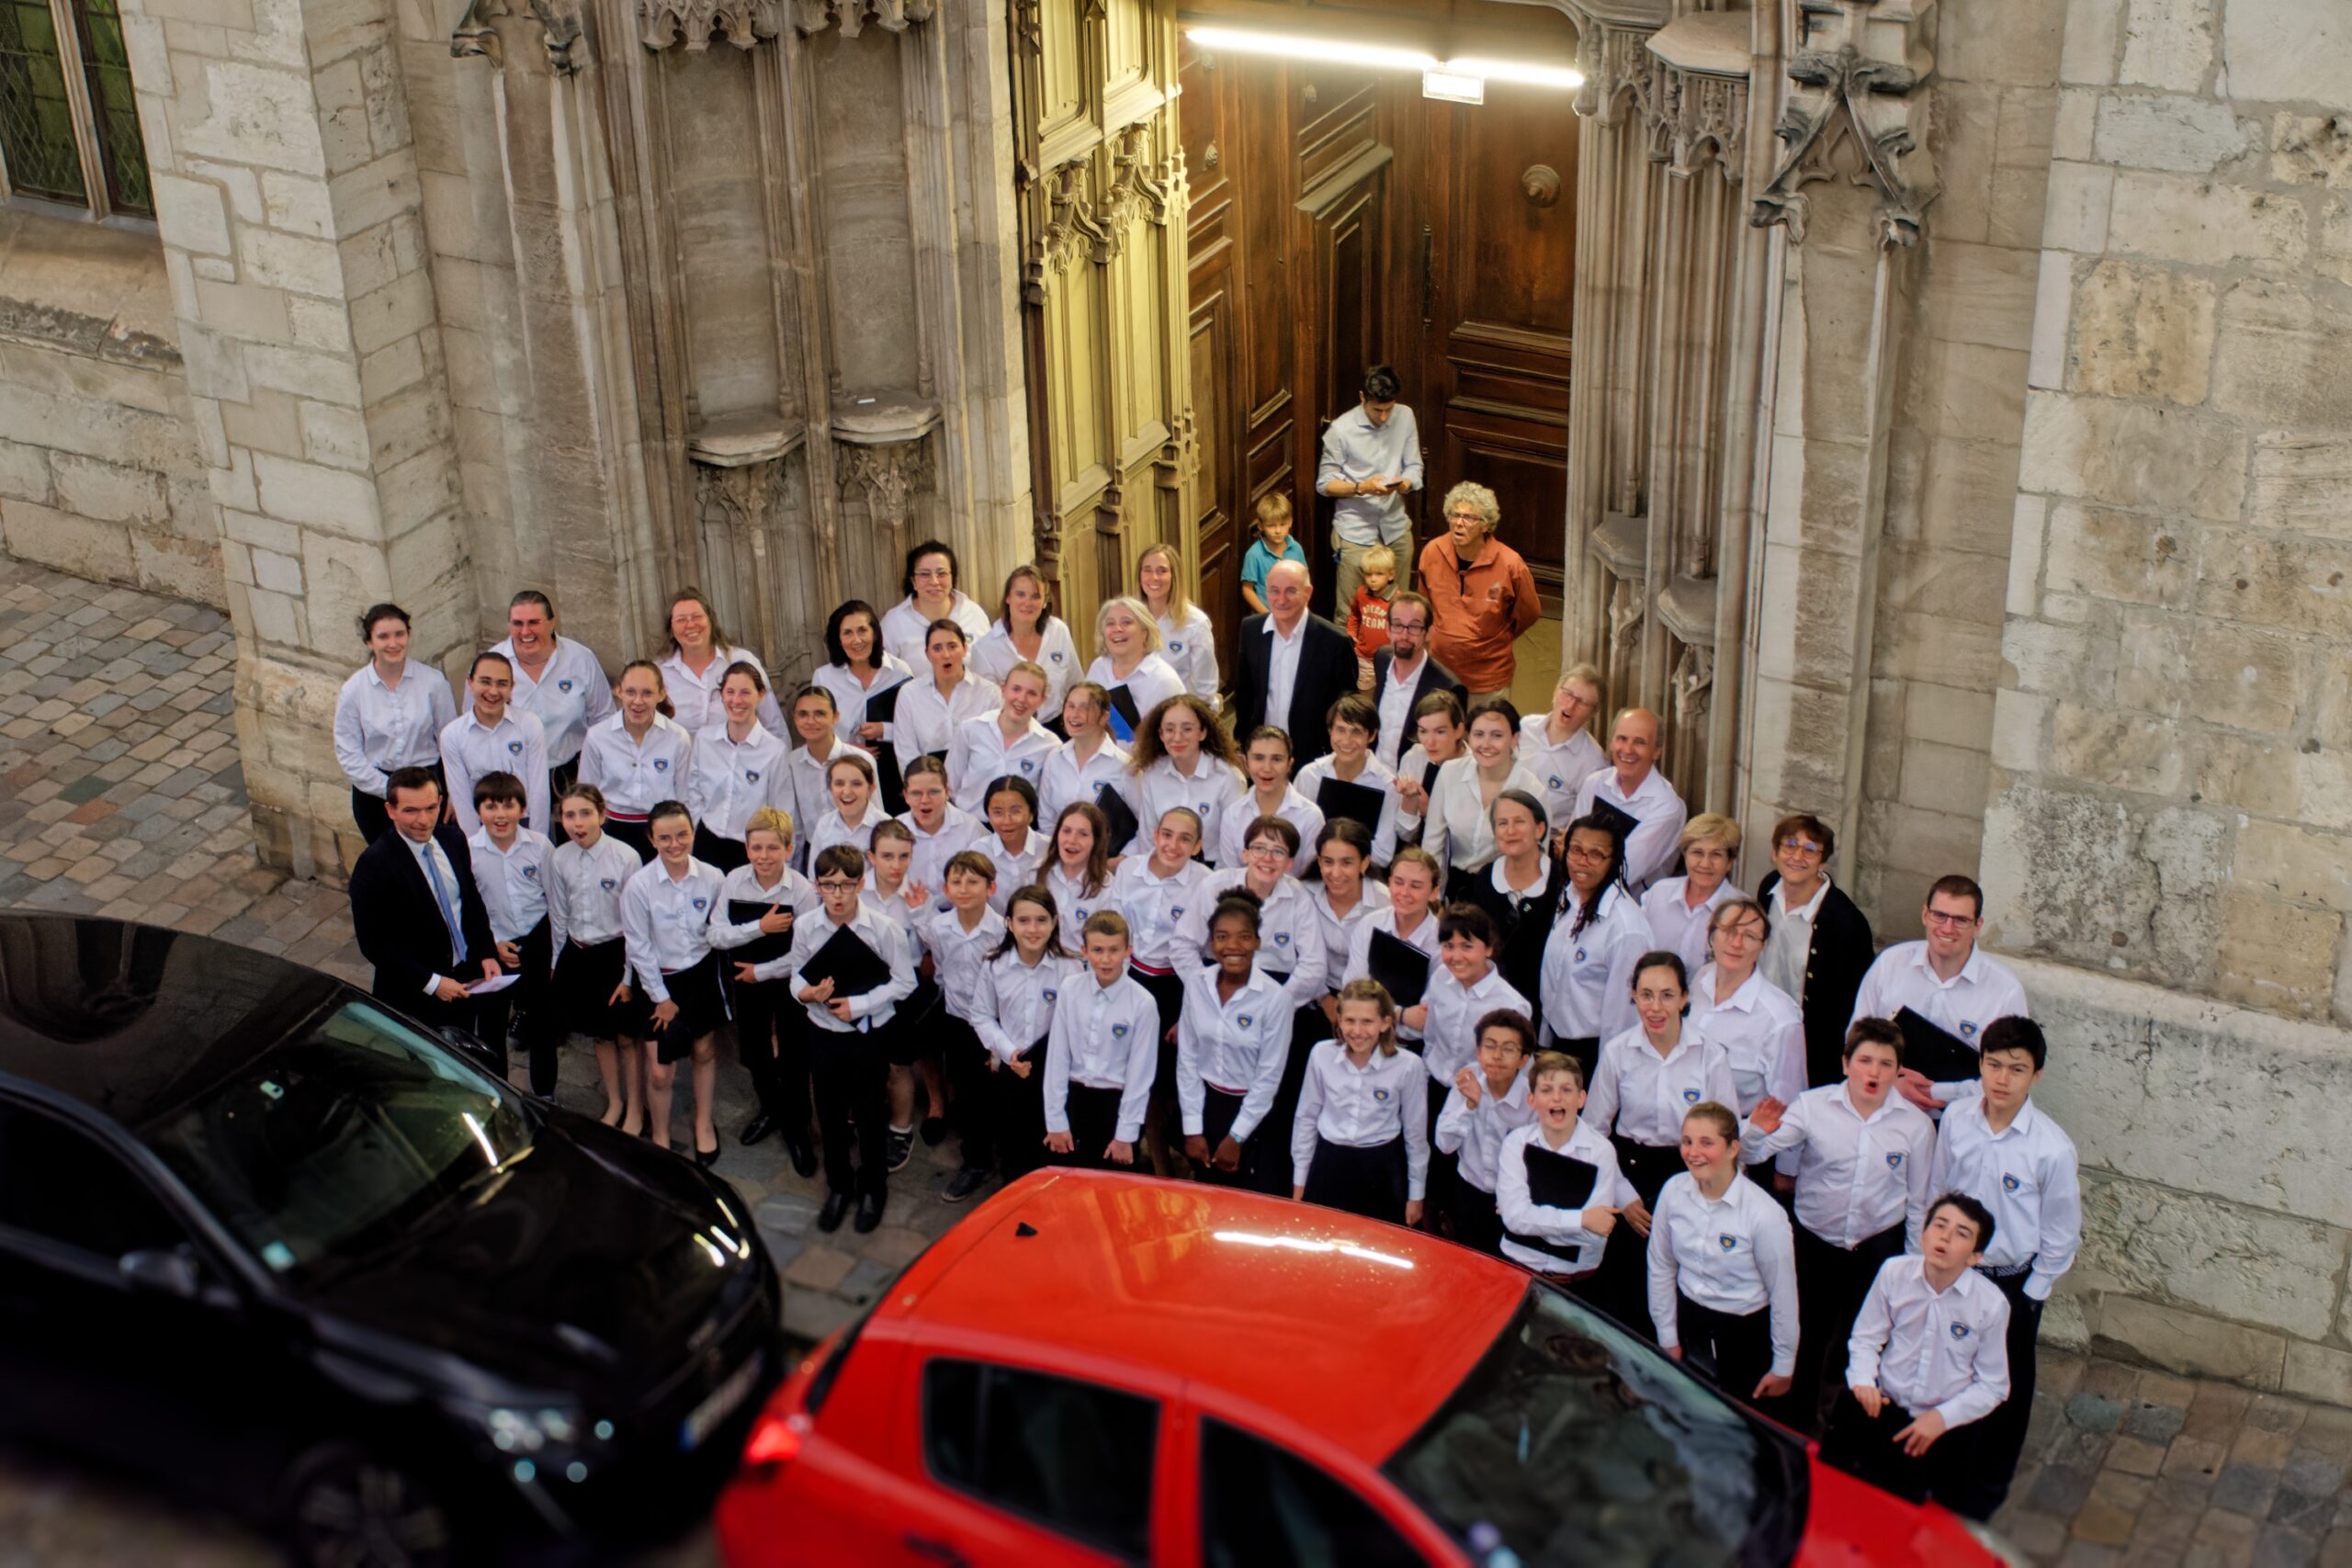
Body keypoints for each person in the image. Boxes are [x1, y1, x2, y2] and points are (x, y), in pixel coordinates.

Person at [1741, 1018, 1936, 1429]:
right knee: (1807, 1334)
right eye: (1865, 1060)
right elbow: (1757, 1154)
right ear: (1846, 1063)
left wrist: (1913, 1268)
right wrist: (1755, 1132)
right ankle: (1796, 1424)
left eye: (1886, 1064)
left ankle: (1846, 1428)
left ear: (1898, 1070)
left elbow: (1919, 1202)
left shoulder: (1916, 1127)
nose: (1874, 1072)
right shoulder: (1813, 1106)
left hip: (1877, 1245)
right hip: (1815, 1240)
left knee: (1862, 1341)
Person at [1928, 1017, 2079, 1515]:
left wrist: (2032, 1295)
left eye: (2017, 1069)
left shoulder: (2051, 1149)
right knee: (1945, 1373)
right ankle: (1939, 1479)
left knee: (2005, 1393)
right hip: (1953, 1272)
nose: (2002, 1079)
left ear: (2036, 1075)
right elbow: (1938, 1191)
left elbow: (2060, 1234)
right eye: (1993, 1065)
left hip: (2011, 1281)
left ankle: (1983, 1498)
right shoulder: (1957, 1120)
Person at [1824, 1195, 2011, 1518]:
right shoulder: (1894, 1272)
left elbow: (1994, 1386)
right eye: (1940, 1225)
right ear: (1923, 1233)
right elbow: (1866, 1338)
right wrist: (1863, 1380)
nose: (1946, 1237)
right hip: (1881, 1410)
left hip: (1941, 1429)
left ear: (1975, 1257)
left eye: (1962, 1233)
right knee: (1844, 1504)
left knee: (1913, 1520)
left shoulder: (1990, 1305)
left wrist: (1941, 1418)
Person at [771, 844, 918, 1233]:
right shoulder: (806, 927)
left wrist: (861, 1003)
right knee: (830, 1113)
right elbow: (796, 977)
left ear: (861, 883)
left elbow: (905, 982)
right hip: (822, 1033)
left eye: (846, 885)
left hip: (868, 1035)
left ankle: (873, 1187)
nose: (837, 895)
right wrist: (807, 994)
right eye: (829, 886)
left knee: (870, 1113)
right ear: (817, 886)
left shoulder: (884, 929)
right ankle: (839, 1186)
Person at [1646, 1102, 1800, 1417]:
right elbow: (1661, 1265)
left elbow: (1784, 1295)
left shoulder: (1765, 1215)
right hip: (1689, 1320)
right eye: (1687, 1141)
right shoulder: (1673, 1192)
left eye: (1707, 1142)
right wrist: (1667, 1334)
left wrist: (1784, 1365)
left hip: (1742, 1334)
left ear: (1733, 1148)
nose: (1693, 1152)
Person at [1851, 874, 2031, 1111]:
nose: (1948, 927)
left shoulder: (2005, 989)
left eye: (1960, 920)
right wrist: (1891, 1082)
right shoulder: (1890, 963)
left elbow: (2014, 1074)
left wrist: (1936, 1091)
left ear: (1978, 925)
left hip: (1963, 1119)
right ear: (1925, 914)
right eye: (1940, 915)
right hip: (1885, 1109)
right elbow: (1855, 1039)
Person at [347, 767, 499, 1034]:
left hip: (464, 980)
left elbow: (471, 902)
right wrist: (433, 983)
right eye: (411, 811)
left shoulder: (453, 839)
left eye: (430, 808)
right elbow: (374, 944)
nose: (423, 820)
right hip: (412, 995)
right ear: (390, 810)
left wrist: (486, 952)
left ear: (440, 802)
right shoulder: (374, 865)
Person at [619, 799, 729, 1165]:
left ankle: (703, 1122)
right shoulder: (639, 886)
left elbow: (719, 932)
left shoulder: (713, 878)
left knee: (703, 1051)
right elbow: (638, 945)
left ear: (693, 833)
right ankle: (662, 1135)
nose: (675, 844)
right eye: (664, 837)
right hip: (658, 981)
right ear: (651, 839)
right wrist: (660, 997)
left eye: (682, 834)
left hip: (700, 975)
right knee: (660, 1071)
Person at [708, 807, 818, 1169]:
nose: (764, 856)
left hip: (787, 983)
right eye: (756, 848)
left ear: (788, 849)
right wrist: (759, 927)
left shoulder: (801, 890)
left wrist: (764, 970)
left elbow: (806, 955)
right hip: (746, 982)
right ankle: (772, 1109)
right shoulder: (735, 881)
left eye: (772, 849)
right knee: (754, 1053)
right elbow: (716, 934)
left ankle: (798, 1130)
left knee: (794, 1056)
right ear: (746, 848)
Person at [1418, 905, 1530, 1227]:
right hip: (1437, 1086)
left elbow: (1515, 1070)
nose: (1456, 956)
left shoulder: (1511, 1004)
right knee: (1431, 1171)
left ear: (1489, 948)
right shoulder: (1440, 978)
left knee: (1462, 1180)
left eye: (1467, 946)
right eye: (1448, 946)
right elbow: (1432, 1035)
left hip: (1478, 1101)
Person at [1177, 891, 1295, 1193]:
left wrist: (1237, 1137)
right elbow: (1187, 1059)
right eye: (1222, 936)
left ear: (1257, 941)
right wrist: (1193, 1128)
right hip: (1205, 1106)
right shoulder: (1196, 984)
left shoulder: (1275, 998)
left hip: (1254, 1115)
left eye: (1244, 937)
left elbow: (1269, 1077)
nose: (1232, 946)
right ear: (1211, 943)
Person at [548, 783, 647, 1130]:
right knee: (600, 1036)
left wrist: (629, 976)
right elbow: (559, 915)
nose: (578, 823)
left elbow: (636, 923)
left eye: (586, 813)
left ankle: (636, 1107)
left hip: (616, 954)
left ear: (602, 815)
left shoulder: (625, 857)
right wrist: (555, 963)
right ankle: (615, 1102)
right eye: (569, 815)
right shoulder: (559, 858)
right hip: (580, 953)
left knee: (626, 1036)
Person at [1292, 979, 1428, 1225]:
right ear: (1339, 1019)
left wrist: (1416, 1195)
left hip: (1382, 1167)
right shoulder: (1321, 1055)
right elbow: (1306, 1118)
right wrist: (1300, 1180)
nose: (1357, 1030)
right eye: (1350, 1020)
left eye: (1367, 1021)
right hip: (1329, 1163)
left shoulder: (1409, 1065)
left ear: (1385, 1023)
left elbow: (1415, 1135)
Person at [1755, 811, 1877, 1089]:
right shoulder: (1768, 889)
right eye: (1789, 845)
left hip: (1812, 1046)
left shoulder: (1847, 922)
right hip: (1762, 1028)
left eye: (1810, 850)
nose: (1797, 857)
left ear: (1822, 861)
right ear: (1775, 853)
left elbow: (1855, 999)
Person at [1496, 1051, 1634, 1287]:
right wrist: (1581, 1218)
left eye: (1566, 1090)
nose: (1556, 1098)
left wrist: (1532, 1216)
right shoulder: (1516, 1144)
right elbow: (1514, 1220)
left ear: (1581, 1099)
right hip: (1516, 1269)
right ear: (1532, 1100)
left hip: (1575, 1281)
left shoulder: (1601, 1151)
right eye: (1546, 1090)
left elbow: (1595, 1234)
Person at [974, 886, 1077, 1182]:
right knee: (1014, 1145)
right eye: (1023, 920)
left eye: (1042, 920)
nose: (1033, 929)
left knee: (1054, 1148)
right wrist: (1008, 1052)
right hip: (1013, 1068)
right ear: (1009, 923)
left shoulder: (1069, 967)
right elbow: (981, 1014)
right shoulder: (995, 965)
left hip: (1056, 1072)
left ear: (1054, 923)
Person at [922, 850, 1008, 1204]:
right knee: (967, 1094)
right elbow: (942, 972)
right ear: (946, 888)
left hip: (997, 1025)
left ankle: (1010, 1160)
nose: (964, 888)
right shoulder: (939, 929)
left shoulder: (1003, 930)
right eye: (956, 881)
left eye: (973, 881)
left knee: (999, 1095)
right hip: (958, 1019)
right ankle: (976, 1161)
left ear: (991, 887)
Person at [1043, 910, 1159, 1170]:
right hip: (1073, 1099)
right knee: (1067, 1185)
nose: (1105, 959)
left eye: (1113, 950)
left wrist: (1125, 1135)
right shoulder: (1070, 989)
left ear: (1128, 950)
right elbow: (1057, 1059)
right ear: (1084, 950)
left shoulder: (1143, 1003)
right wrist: (1056, 1121)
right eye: (1097, 950)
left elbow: (1141, 1074)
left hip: (1114, 1106)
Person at [465, 771, 557, 1096]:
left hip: (537, 938)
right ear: (478, 811)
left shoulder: (540, 847)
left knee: (544, 1021)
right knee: (489, 1026)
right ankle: (497, 1093)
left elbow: (554, 901)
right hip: (495, 943)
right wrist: (490, 946)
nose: (500, 815)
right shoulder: (469, 852)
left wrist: (554, 955)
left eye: (508, 806)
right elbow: (470, 908)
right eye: (491, 806)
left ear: (523, 808)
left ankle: (544, 1092)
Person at [334, 602, 457, 844]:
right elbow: (349, 753)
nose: (393, 643)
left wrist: (454, 792)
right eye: (383, 636)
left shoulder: (433, 682)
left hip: (428, 788)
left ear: (408, 634)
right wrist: (390, 788)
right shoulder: (353, 691)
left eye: (399, 634)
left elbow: (450, 740)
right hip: (376, 795)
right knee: (389, 868)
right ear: (370, 642)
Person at [1539, 815, 1651, 1080]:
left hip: (1594, 1055)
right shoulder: (1569, 897)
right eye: (1576, 850)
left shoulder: (1625, 927)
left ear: (1613, 861)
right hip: (1557, 1043)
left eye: (1596, 854)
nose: (1582, 861)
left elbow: (1622, 1017)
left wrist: (1607, 1079)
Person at [1106, 807, 1212, 1061]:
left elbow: (1204, 954)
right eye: (1167, 835)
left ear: (1197, 846)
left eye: (1185, 839)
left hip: (1175, 984)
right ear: (1155, 836)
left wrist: (1189, 1013)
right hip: (1129, 975)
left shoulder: (1206, 882)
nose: (1173, 845)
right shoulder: (1129, 869)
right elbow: (1115, 928)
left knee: (1166, 1061)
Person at [1419, 481, 1541, 701]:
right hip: (1440, 672)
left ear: (1486, 525)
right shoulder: (1432, 552)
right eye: (1454, 515)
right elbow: (1425, 607)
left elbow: (1529, 612)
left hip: (1487, 678)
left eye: (1469, 518)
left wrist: (1497, 637)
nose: (1459, 523)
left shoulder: (1511, 564)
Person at [1689, 898, 1807, 1120]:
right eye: (1728, 931)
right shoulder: (1699, 980)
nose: (1736, 943)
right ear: (1711, 935)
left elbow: (1787, 1109)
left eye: (1750, 936)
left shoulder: (1781, 1019)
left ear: (1763, 946)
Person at [1232, 560, 1358, 768]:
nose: (1281, 599)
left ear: (1307, 592)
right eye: (1274, 591)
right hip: (1262, 752)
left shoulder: (1335, 641)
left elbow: (1346, 702)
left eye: (1291, 591)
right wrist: (1243, 741)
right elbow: (1244, 690)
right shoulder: (1251, 630)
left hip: (1312, 756)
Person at [1317, 364, 1424, 608]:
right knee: (1349, 613)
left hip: (1395, 528)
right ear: (1362, 397)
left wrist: (1404, 483)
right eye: (1377, 410)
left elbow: (1415, 467)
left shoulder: (1405, 416)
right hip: (1355, 533)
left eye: (1389, 409)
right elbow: (1324, 484)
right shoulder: (1340, 430)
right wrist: (1361, 487)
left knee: (1400, 612)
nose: (1384, 417)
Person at [491, 590, 613, 800]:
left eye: (534, 622)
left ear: (552, 623)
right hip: (512, 780)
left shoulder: (580, 658)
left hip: (571, 777)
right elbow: (474, 725)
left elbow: (603, 720)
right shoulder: (490, 664)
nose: (525, 631)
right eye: (517, 623)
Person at [1433, 1009, 1536, 1253]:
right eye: (1490, 1046)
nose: (1497, 1056)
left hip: (1514, 1198)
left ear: (1524, 1059)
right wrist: (1470, 1105)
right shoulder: (1468, 1082)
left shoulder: (1532, 1097)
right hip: (1470, 1191)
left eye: (1509, 1049)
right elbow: (1444, 1145)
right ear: (1478, 1052)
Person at [1422, 697, 1543, 899]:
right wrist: (1432, 899)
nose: (1486, 745)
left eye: (1497, 735)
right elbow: (1433, 844)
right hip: (1456, 887)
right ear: (1469, 737)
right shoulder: (1449, 773)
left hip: (1506, 894)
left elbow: (1536, 863)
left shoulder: (1533, 791)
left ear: (1514, 738)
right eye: (1478, 735)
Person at [577, 660, 693, 862]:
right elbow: (586, 795)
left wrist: (685, 848)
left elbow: (686, 797)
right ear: (618, 691)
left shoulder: (678, 737)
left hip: (662, 833)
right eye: (630, 692)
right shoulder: (597, 736)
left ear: (662, 694)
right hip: (612, 830)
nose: (638, 701)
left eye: (647, 693)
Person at [685, 661, 791, 874]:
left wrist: (783, 867)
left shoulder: (774, 750)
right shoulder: (705, 739)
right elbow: (692, 792)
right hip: (707, 844)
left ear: (760, 695)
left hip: (751, 852)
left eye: (745, 693)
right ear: (721, 695)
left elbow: (783, 810)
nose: (736, 700)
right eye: (730, 692)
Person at [1462, 789, 1565, 1007]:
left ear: (1540, 829)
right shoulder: (1484, 879)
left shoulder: (1561, 882)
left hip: (1546, 1003)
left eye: (1519, 822)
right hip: (1490, 1002)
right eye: (1502, 823)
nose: (1510, 831)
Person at [1570, 707, 1688, 896]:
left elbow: (1623, 870)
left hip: (1632, 908)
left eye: (1640, 742)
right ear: (1611, 742)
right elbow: (1572, 846)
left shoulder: (1667, 807)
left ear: (1657, 751)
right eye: (1622, 739)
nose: (1628, 749)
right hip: (1577, 894)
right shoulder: (1595, 783)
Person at [811, 599, 914, 810]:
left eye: (862, 630)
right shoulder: (824, 678)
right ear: (838, 639)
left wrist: (883, 729)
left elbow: (917, 726)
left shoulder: (899, 671)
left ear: (875, 633)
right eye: (847, 633)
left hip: (893, 773)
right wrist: (848, 749)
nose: (856, 640)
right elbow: (817, 729)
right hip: (845, 776)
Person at [1341, 846, 1442, 1055]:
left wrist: (1383, 1013)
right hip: (1365, 1037)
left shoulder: (1442, 942)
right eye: (1398, 882)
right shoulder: (1370, 924)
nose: (1404, 893)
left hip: (1414, 1048)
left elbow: (1425, 1017)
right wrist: (1402, 1014)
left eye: (1416, 886)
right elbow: (1353, 991)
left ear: (1434, 892)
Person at [440, 649, 551, 837]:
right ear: (470, 683)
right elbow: (461, 799)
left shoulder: (530, 725)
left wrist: (539, 840)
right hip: (481, 825)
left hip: (525, 823)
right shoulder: (452, 735)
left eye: (502, 684)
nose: (493, 691)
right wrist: (475, 849)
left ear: (511, 687)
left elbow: (539, 790)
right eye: (485, 681)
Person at [1124, 694, 1245, 863]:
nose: (1177, 737)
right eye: (1170, 729)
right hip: (1165, 869)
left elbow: (1234, 845)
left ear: (1202, 732)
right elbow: (1148, 840)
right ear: (1160, 734)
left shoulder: (1227, 777)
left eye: (1187, 729)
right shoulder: (1152, 774)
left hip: (1211, 873)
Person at [1293, 694, 1401, 868]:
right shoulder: (1309, 776)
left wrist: (1333, 855)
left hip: (1363, 879)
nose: (1347, 741)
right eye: (1340, 730)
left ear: (1372, 735)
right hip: (1311, 873)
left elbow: (1384, 853)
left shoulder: (1388, 785)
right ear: (1330, 731)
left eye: (1356, 731)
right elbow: (1295, 835)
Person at [659, 588, 780, 737]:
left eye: (697, 616)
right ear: (671, 629)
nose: (690, 625)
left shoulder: (742, 660)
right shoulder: (660, 673)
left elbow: (774, 725)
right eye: (681, 620)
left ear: (711, 620)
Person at [968, 564, 1080, 724]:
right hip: (1009, 732)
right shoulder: (985, 649)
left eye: (1035, 596)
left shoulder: (1059, 631)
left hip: (1058, 730)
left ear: (1044, 602)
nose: (1028, 602)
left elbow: (1075, 685)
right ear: (1008, 598)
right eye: (1020, 594)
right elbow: (984, 707)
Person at [894, 620, 1001, 781]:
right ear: (927, 654)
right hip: (927, 787)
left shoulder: (989, 693)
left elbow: (996, 748)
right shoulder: (909, 694)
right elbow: (906, 752)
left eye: (952, 646)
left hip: (978, 785)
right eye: (937, 648)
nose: (946, 655)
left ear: (964, 649)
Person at [1370, 591, 1463, 773]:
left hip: (1412, 785)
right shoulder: (1381, 659)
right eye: (1398, 625)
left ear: (1428, 633)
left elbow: (1450, 756)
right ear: (1388, 628)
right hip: (1373, 776)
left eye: (1414, 627)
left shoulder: (1447, 686)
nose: (1404, 636)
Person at [1642, 815, 1747, 977]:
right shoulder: (1658, 894)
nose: (1705, 864)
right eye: (1697, 852)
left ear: (1730, 862)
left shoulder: (1743, 910)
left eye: (1716, 855)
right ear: (1685, 855)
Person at [946, 661, 1055, 815]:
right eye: (1016, 689)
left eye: (1032, 693)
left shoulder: (1050, 745)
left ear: (1042, 700)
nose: (1022, 699)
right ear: (1003, 689)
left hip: (1018, 829)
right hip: (970, 825)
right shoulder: (971, 729)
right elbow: (950, 784)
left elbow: (1045, 801)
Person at [1216, 728, 1322, 874]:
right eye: (1259, 758)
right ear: (1246, 762)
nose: (1267, 768)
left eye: (1277, 759)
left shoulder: (1311, 816)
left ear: (1289, 764)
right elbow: (1228, 874)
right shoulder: (1233, 814)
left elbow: (1309, 878)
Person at [1086, 596, 1187, 744]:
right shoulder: (1098, 668)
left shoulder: (1164, 680)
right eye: (1110, 623)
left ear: (1145, 632)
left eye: (1126, 622)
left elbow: (1175, 741)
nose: (1117, 629)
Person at [1518, 662, 1606, 831]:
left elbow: (1583, 825)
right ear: (1556, 691)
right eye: (1567, 695)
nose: (1570, 706)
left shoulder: (1594, 763)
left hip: (1546, 842)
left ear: (1592, 714)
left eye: (1582, 703)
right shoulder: (1524, 726)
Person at [880, 540, 991, 670]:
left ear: (952, 577)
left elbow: (991, 663)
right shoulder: (894, 622)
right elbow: (885, 673)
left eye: (941, 573)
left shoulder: (973, 613)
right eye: (924, 574)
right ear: (913, 581)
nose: (934, 581)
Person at [1037, 681, 1132, 833]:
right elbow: (1047, 820)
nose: (1074, 715)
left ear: (1104, 717)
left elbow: (1141, 824)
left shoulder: (1124, 765)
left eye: (1085, 708)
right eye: (1071, 706)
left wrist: (1121, 856)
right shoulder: (1055, 758)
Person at [1136, 542, 1220, 710]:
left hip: (1180, 716)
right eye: (1147, 570)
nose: (1154, 577)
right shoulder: (1130, 617)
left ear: (1174, 576)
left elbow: (1205, 687)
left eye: (1162, 571)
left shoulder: (1195, 623)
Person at [784, 683, 849, 874]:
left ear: (835, 717)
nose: (811, 721)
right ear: (795, 719)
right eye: (803, 714)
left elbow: (876, 817)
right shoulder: (792, 763)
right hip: (815, 857)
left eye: (820, 714)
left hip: (857, 853)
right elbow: (794, 823)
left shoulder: (859, 760)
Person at [1392, 691, 1465, 845]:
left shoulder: (1475, 768)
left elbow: (1468, 843)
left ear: (1458, 730)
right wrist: (1409, 801)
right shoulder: (1414, 757)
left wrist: (1431, 812)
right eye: (1423, 731)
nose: (1430, 742)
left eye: (1440, 732)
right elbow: (1405, 835)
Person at [1042, 800, 1114, 953]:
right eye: (1066, 831)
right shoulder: (1037, 873)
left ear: (1096, 841)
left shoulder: (1107, 888)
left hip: (1081, 966)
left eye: (1083, 834)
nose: (1072, 840)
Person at [977, 776, 1048, 911]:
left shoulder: (1049, 849)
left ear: (1031, 814)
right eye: (998, 812)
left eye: (1015, 811)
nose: (1007, 821)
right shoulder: (979, 852)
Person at [808, 750, 887, 862]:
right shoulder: (824, 825)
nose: (847, 792)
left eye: (856, 784)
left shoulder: (885, 825)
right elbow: (814, 876)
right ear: (831, 788)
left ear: (871, 789)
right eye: (839, 784)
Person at [1238, 491, 1308, 617]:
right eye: (1271, 526)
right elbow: (1247, 589)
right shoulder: (1254, 554)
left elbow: (1304, 581)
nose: (1278, 531)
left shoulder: (1296, 548)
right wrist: (1268, 615)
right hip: (1267, 619)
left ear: (1290, 522)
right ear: (1261, 526)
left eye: (1282, 524)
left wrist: (1303, 608)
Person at [1346, 543, 1396, 689]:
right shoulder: (1361, 593)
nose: (1373, 579)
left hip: (1388, 658)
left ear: (1390, 575)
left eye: (1379, 574)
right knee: (1365, 695)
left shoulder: (1397, 600)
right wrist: (1351, 631)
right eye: (1368, 574)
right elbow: (1354, 614)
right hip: (1363, 657)